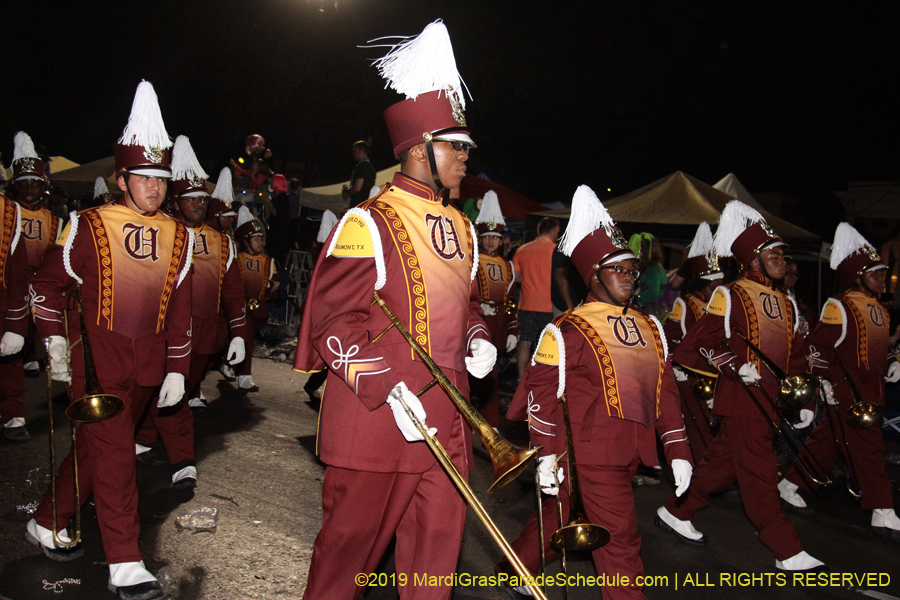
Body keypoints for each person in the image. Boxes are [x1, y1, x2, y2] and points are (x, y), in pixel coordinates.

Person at [294, 20, 495, 600]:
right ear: (418, 150)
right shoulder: (369, 221)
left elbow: (470, 302)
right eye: (456, 147)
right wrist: (387, 389)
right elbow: (333, 321)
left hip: (447, 422)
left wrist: (479, 336)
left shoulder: (461, 225)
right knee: (345, 564)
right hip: (379, 418)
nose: (465, 158)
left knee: (434, 565)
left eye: (464, 148)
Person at [25, 80, 193, 600]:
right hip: (96, 367)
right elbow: (45, 285)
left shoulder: (179, 234)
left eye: (161, 180)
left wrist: (177, 369)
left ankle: (46, 520)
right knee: (117, 459)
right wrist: (53, 341)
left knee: (98, 452)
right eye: (144, 179)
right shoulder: (86, 225)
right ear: (122, 178)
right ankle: (125, 561)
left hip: (146, 369)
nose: (154, 189)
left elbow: (181, 308)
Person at [498, 186, 691, 600]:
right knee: (621, 542)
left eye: (631, 270)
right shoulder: (569, 328)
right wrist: (546, 453)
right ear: (594, 275)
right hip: (588, 454)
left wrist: (678, 451)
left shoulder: (650, 327)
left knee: (558, 519)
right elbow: (541, 394)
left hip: (628, 453)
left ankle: (512, 569)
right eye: (617, 269)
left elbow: (665, 394)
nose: (628, 276)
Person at [655, 200, 827, 572]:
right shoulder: (729, 294)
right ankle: (786, 549)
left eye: (783, 255)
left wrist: (804, 400)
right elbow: (694, 346)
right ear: (753, 259)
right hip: (743, 401)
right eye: (775, 254)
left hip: (770, 403)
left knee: (721, 467)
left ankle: (675, 511)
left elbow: (795, 358)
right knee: (760, 477)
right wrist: (734, 368)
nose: (783, 260)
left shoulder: (786, 303)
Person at [134, 137, 248, 489]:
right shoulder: (162, 232)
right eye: (191, 199)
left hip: (205, 332)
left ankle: (146, 439)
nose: (199, 204)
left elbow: (233, 291)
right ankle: (180, 457)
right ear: (176, 201)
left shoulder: (221, 241)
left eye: (202, 199)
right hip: (163, 332)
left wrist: (240, 331)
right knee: (167, 393)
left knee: (178, 390)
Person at [778, 223, 900, 540]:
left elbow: (877, 351)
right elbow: (817, 347)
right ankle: (882, 510)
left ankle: (789, 483)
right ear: (858, 275)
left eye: (883, 271)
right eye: (875, 272)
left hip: (871, 391)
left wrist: (893, 362)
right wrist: (824, 382)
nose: (882, 276)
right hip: (846, 393)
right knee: (870, 451)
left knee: (828, 444)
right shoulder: (839, 305)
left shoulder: (881, 311)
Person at [8, 132, 62, 408]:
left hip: (40, 279)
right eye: (24, 183)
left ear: (44, 187)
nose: (29, 188)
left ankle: (34, 355)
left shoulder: (53, 219)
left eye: (35, 183)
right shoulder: (7, 212)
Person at [664, 222, 723, 462]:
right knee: (699, 427)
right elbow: (670, 338)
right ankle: (705, 468)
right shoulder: (684, 305)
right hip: (690, 376)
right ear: (700, 285)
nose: (717, 292)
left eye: (720, 287)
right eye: (712, 288)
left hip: (714, 374)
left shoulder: (721, 305)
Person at [470, 191, 518, 428]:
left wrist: (513, 331)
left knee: (491, 378)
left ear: (501, 240)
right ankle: (464, 422)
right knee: (469, 376)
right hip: (474, 325)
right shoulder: (472, 261)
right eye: (486, 236)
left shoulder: (508, 266)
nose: (490, 241)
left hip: (497, 327)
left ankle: (490, 423)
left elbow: (511, 301)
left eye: (494, 237)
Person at [234, 206, 277, 392]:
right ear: (246, 241)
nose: (260, 242)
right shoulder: (238, 258)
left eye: (262, 238)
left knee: (247, 340)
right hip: (239, 308)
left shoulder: (268, 261)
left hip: (258, 309)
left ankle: (233, 365)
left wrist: (270, 286)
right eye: (256, 238)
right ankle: (244, 376)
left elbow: (273, 284)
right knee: (244, 340)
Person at [0, 183, 30, 442]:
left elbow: (18, 274)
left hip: (1, 302)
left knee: (8, 365)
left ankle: (12, 416)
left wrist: (15, 324)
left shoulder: (8, 212)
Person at [513, 217, 560, 381]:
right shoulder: (556, 251)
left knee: (525, 341)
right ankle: (540, 380)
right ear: (554, 231)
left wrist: (530, 277)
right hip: (548, 306)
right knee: (545, 345)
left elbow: (516, 277)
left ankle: (520, 379)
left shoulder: (522, 249)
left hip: (526, 305)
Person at [342, 140, 377, 208]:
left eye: (354, 151)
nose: (353, 153)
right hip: (367, 203)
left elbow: (357, 187)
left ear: (360, 151)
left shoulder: (362, 166)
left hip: (358, 203)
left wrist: (347, 192)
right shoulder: (370, 167)